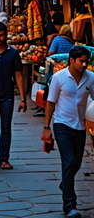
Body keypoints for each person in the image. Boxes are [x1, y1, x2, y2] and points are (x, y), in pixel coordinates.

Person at [42, 46, 94, 218]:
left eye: (87, 61)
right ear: (71, 60)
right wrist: (47, 127)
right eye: (81, 61)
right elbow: (50, 102)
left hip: (80, 126)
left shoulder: (91, 78)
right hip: (62, 125)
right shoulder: (59, 77)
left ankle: (66, 183)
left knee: (77, 163)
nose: (85, 64)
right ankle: (69, 205)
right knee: (69, 162)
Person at [0, 22, 26, 169]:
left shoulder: (13, 52)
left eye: (1, 35)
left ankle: (4, 158)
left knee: (6, 126)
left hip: (7, 94)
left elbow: (18, 76)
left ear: (6, 34)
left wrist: (23, 98)